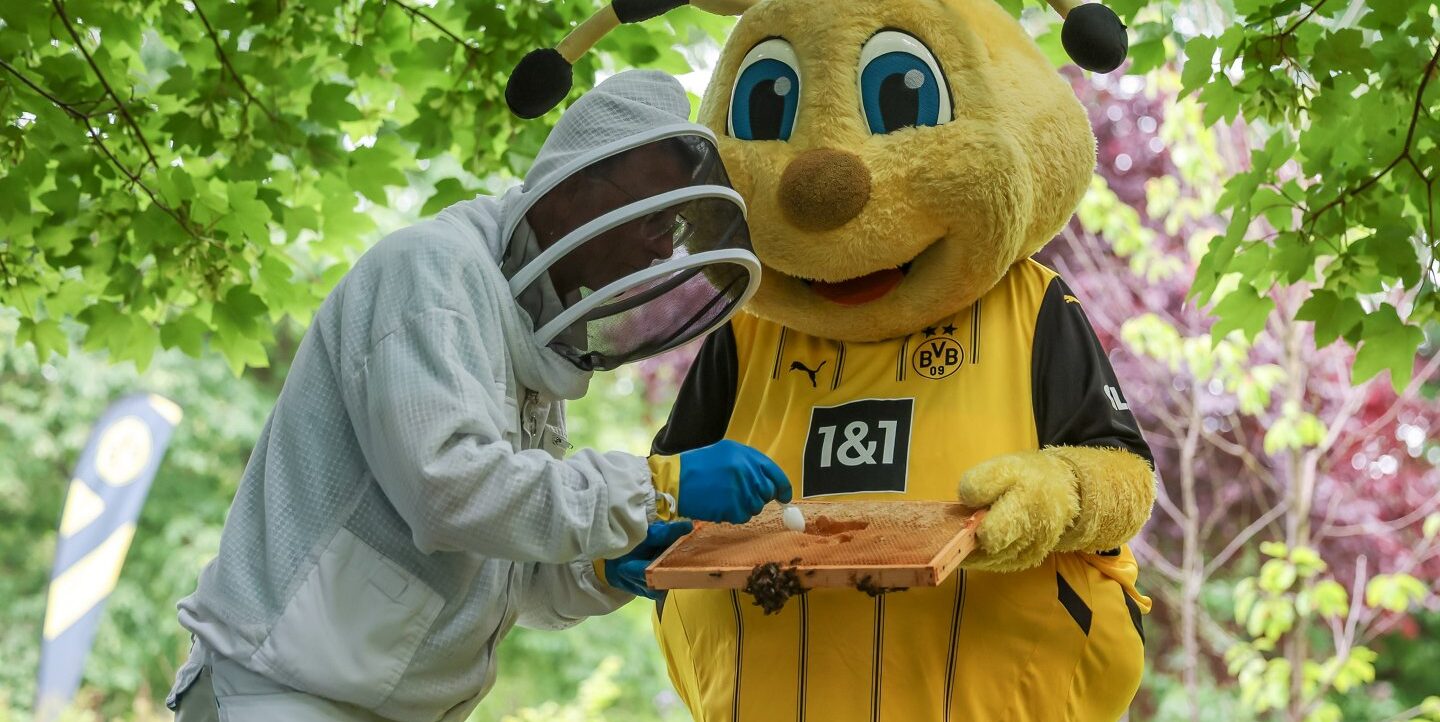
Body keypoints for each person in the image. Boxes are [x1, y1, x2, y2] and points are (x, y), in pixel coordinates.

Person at [166, 70, 790, 722]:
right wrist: (656, 485)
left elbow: (503, 560)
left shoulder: (528, 335)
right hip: (279, 691)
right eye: (655, 217)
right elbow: (450, 491)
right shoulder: (431, 277)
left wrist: (601, 568)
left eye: (676, 226)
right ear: (577, 190)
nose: (664, 247)